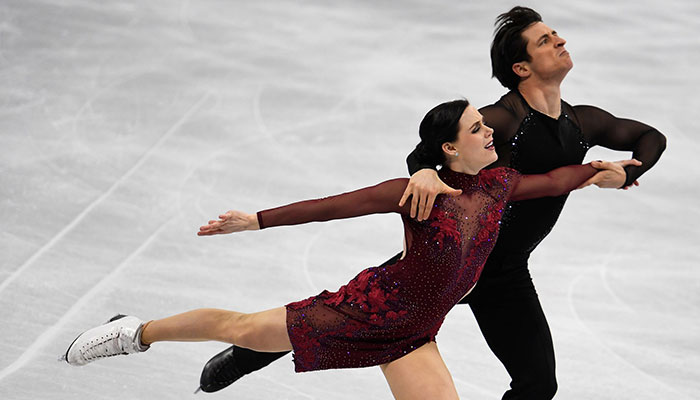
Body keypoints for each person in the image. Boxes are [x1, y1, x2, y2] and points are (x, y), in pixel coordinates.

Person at [195, 6, 667, 399]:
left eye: (556, 34)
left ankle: (257, 347)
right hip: (443, 258)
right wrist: (422, 171)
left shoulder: (582, 121)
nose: (560, 41)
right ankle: (251, 351)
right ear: (521, 68)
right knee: (346, 312)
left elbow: (650, 137)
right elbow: (430, 150)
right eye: (545, 40)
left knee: (538, 384)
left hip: (504, 273)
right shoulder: (499, 121)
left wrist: (628, 171)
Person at [62, 99, 633, 399]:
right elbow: (333, 206)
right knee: (240, 327)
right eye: (477, 128)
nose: (490, 133)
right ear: (449, 148)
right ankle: (134, 331)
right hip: (365, 308)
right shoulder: (414, 193)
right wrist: (256, 220)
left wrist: (601, 171)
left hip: (413, 333)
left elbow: (555, 181)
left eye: (487, 126)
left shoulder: (500, 185)